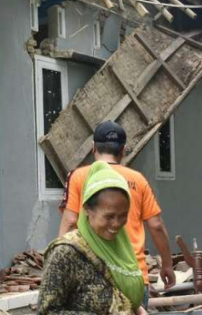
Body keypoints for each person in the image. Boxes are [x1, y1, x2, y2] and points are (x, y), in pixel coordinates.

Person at [58, 121, 176, 308]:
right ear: (122, 151)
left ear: (93, 148)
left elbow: (70, 222)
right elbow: (156, 226)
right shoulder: (138, 180)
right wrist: (167, 265)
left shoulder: (79, 177)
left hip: (91, 277)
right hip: (132, 278)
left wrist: (61, 268)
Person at [39, 161, 147, 315]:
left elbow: (122, 295)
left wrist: (138, 310)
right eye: (109, 216)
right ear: (87, 210)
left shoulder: (120, 247)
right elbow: (46, 312)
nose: (116, 224)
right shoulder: (66, 253)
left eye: (123, 216)